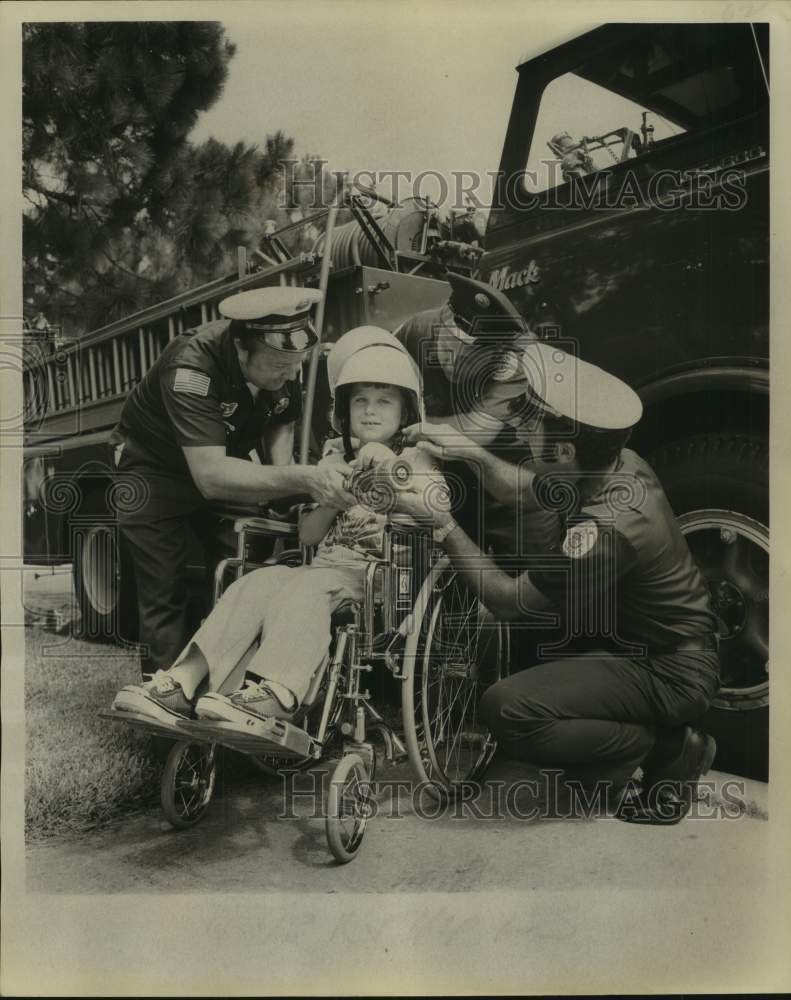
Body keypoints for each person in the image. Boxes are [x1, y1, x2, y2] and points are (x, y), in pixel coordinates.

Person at [396, 342, 721, 824]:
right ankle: (612, 752)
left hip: (668, 670)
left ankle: (667, 748)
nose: (526, 438)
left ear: (566, 451)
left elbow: (508, 601)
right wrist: (469, 452)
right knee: (549, 696)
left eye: (535, 432)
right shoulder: (615, 464)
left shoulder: (607, 530)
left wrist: (441, 525)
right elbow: (524, 488)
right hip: (642, 646)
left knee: (505, 709)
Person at [111, 328, 439, 728]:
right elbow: (308, 538)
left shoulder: (419, 461)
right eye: (360, 402)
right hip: (324, 574)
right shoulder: (335, 462)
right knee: (257, 582)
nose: (371, 411)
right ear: (344, 411)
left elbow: (436, 516)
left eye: (384, 402)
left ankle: (279, 693)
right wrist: (335, 498)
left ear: (405, 413)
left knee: (307, 585)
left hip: (379, 580)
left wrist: (387, 472)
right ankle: (182, 682)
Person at [110, 287, 356, 678]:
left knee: (246, 572)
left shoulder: (281, 357)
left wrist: (291, 493)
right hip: (155, 474)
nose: (292, 375)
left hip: (222, 465)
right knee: (165, 592)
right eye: (281, 368)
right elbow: (211, 477)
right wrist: (305, 477)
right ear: (242, 350)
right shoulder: (190, 367)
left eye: (297, 366)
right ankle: (166, 715)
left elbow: (280, 423)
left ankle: (226, 695)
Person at [394, 271, 561, 557]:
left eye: (469, 354)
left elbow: (474, 431)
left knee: (533, 588)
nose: (454, 358)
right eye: (448, 346)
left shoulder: (518, 359)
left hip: (513, 484)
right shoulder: (418, 329)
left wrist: (408, 427)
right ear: (444, 321)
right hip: (453, 479)